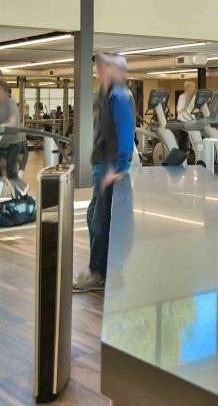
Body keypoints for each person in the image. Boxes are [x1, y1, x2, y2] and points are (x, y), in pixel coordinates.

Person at [74, 53, 134, 293]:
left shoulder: (120, 95)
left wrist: (118, 169)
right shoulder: (107, 94)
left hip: (111, 169)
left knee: (103, 222)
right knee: (94, 216)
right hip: (103, 166)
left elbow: (126, 132)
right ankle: (105, 270)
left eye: (104, 66)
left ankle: (100, 273)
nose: (99, 70)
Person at [0, 79, 24, 201]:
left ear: (2, 90)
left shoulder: (9, 103)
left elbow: (13, 121)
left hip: (13, 140)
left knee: (10, 170)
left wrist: (2, 125)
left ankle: (22, 190)